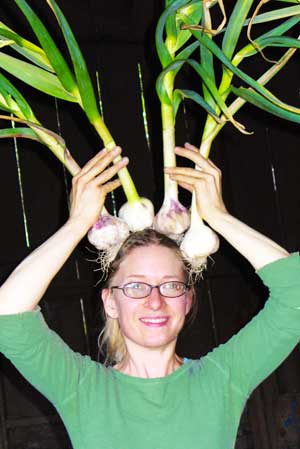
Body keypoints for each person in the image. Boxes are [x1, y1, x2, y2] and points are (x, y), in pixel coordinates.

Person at [0, 143, 299, 449]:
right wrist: (76, 224)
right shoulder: (81, 388)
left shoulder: (222, 379)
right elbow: (7, 316)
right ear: (111, 302)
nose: (155, 302)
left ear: (188, 300)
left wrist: (219, 217)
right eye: (136, 286)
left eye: (170, 285)